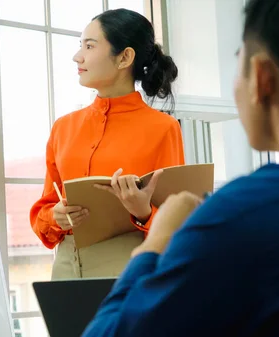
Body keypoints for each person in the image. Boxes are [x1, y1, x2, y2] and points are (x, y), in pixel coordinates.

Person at [82, 0, 279, 335]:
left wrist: (156, 240)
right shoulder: (65, 128)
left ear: (261, 77)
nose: (80, 57)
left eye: (237, 64)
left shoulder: (238, 214)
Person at [29, 9, 184, 280]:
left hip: (129, 265)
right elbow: (45, 208)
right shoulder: (63, 128)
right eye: (81, 46)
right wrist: (56, 216)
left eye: (90, 46)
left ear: (125, 57)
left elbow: (178, 223)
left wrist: (143, 211)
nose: (78, 56)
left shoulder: (163, 128)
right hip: (65, 266)